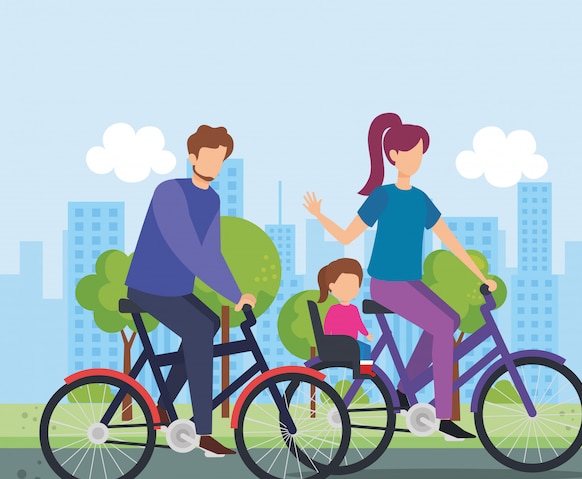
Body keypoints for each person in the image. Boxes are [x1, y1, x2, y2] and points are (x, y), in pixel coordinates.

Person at [303, 112, 497, 440]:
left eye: (421, 153)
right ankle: (443, 416)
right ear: (393, 156)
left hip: (412, 283)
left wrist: (480, 274)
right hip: (386, 285)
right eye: (412, 153)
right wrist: (321, 215)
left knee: (448, 321)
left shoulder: (420, 199)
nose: (417, 159)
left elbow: (449, 240)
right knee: (442, 324)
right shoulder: (383, 196)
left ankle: (405, 390)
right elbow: (348, 237)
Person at [126, 124, 256, 456]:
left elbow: (211, 252)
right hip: (149, 287)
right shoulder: (169, 192)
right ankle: (203, 433)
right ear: (192, 156)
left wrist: (236, 294)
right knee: (199, 330)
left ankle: (163, 407)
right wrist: (228, 290)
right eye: (209, 157)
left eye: (221, 159)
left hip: (177, 290)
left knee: (209, 324)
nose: (215, 164)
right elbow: (189, 250)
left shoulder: (211, 199)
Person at [317, 258, 374, 362]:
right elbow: (328, 325)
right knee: (365, 349)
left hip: (350, 342)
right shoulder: (334, 309)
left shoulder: (353, 309)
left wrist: (366, 334)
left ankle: (360, 370)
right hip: (342, 343)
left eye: (354, 286)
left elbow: (359, 324)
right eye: (344, 285)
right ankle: (361, 371)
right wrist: (327, 340)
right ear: (332, 286)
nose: (349, 289)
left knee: (364, 348)